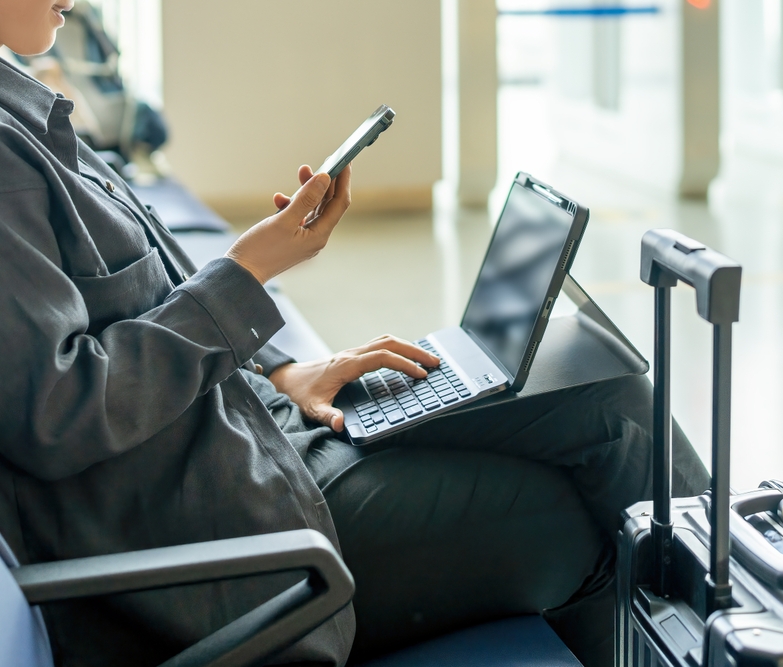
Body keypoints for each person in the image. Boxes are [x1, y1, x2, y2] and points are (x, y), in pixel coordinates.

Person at [0, 2, 710, 666]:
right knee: (587, 521)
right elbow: (59, 410)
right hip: (231, 527)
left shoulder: (23, 102)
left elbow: (138, 302)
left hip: (253, 432)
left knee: (606, 392)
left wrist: (279, 370)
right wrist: (250, 270)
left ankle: (748, 620)